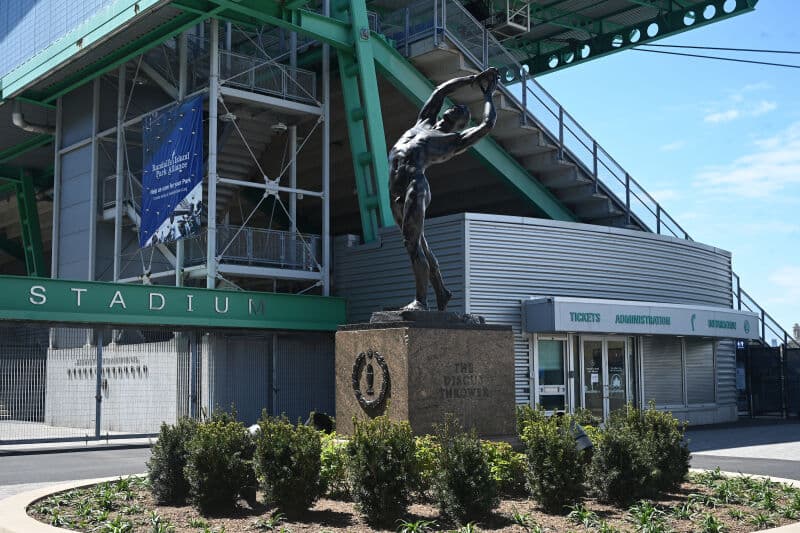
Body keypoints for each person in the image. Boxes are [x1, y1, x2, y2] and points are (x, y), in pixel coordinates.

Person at [388, 66, 499, 311]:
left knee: (412, 243)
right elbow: (441, 90)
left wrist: (488, 96)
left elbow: (487, 125)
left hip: (415, 186)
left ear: (460, 123)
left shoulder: (453, 142)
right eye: (455, 106)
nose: (454, 108)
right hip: (394, 190)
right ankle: (442, 291)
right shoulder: (424, 121)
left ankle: (421, 300)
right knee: (420, 245)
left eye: (460, 111)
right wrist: (472, 79)